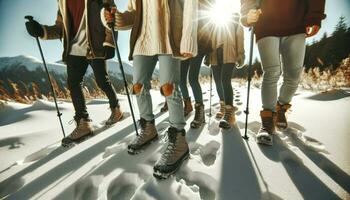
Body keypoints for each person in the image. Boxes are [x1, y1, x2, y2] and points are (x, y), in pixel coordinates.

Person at [103, 0, 198, 178]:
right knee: (138, 86)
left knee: (168, 87)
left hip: (169, 34)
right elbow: (134, 13)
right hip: (143, 38)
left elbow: (190, 6)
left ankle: (179, 139)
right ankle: (148, 128)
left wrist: (188, 38)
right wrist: (116, 18)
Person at [25, 0, 123, 142]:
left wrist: (110, 42)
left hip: (95, 47)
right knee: (74, 84)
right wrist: (41, 30)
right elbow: (60, 28)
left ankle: (116, 108)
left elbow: (111, 17)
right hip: (73, 50)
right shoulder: (63, 2)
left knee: (102, 80)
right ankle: (83, 123)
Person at [241, 0, 326, 145]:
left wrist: (315, 16)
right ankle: (267, 121)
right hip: (265, 23)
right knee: (272, 71)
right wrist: (246, 15)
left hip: (297, 23)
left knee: (293, 75)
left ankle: (281, 108)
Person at [206, 13, 245, 129]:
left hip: (229, 53)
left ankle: (229, 112)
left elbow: (240, 37)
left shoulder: (236, 20)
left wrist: (241, 54)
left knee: (224, 80)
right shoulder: (213, 22)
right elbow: (209, 41)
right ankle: (223, 105)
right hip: (215, 54)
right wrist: (208, 56)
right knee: (218, 81)